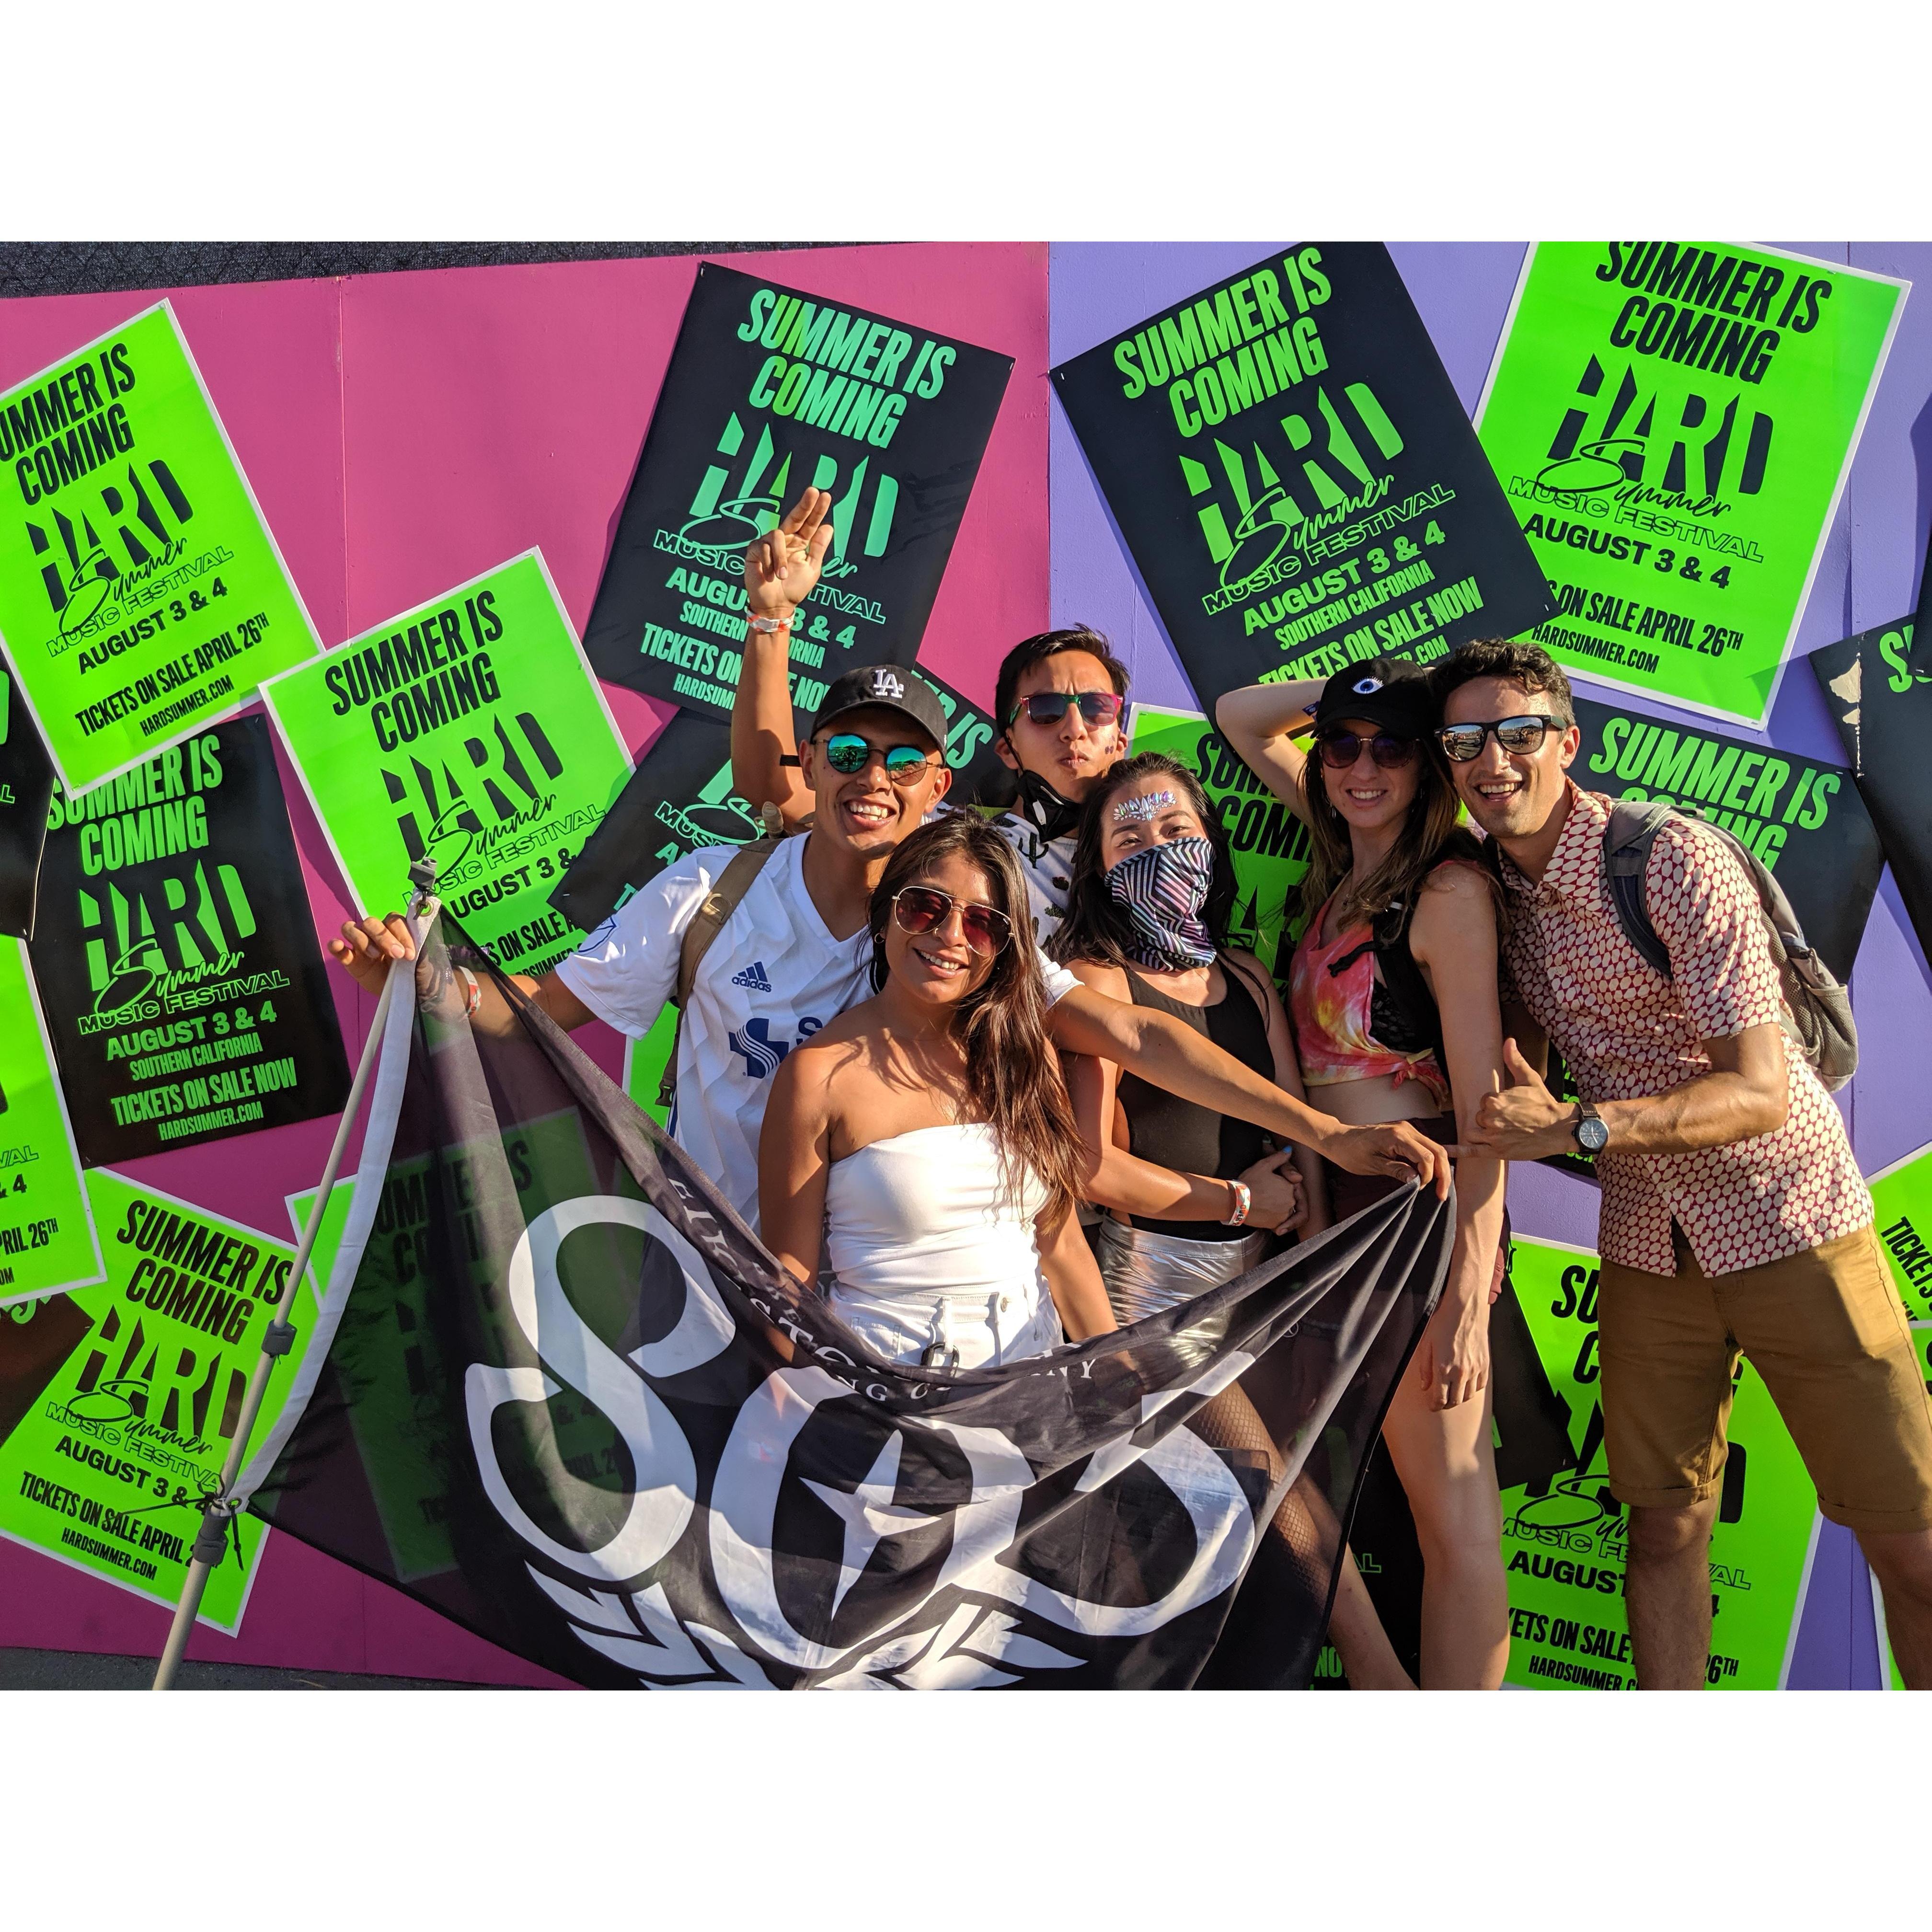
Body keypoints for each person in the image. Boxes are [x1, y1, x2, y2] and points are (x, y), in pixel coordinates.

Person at [329, 665, 1454, 1241]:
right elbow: (532, 1008)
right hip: (712, 1266)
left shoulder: (968, 913)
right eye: (851, 753)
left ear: (936, 783)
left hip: (888, 1294)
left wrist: (1325, 1133)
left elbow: (1128, 1032)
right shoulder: (708, 890)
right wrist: (416, 984)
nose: (874, 778)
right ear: (814, 764)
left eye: (903, 761)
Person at [1437, 637, 1932, 1690]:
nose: (1495, 761)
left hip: (1792, 1222)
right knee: (1663, 1530)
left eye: (1520, 733)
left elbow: (1758, 1088)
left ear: (1567, 742)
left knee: (1914, 1545)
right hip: (1649, 1250)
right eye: (1466, 739)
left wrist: (1579, 1129)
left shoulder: (1670, 858)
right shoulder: (1490, 890)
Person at [1049, 750, 1422, 1688]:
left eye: (1176, 831)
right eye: (1128, 839)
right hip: (1143, 1309)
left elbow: (1307, 1151)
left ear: (1212, 843)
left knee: (1229, 1544)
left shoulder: (1249, 981)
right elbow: (1091, 1171)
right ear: (1095, 867)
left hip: (1256, 1306)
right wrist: (1241, 1202)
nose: (1157, 853)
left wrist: (1313, 1283)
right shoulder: (1091, 979)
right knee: (1285, 1509)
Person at [1213, 657, 1511, 1690]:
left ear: (1428, 763)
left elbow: (1489, 1118)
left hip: (1412, 1216)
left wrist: (1471, 1286)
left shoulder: (1451, 890)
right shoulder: (1338, 850)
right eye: (1341, 745)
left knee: (1453, 1512)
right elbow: (1243, 714)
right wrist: (1367, 699)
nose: (1359, 767)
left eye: (1391, 748)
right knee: (1293, 1487)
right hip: (1327, 1213)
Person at [759, 813, 1114, 1366]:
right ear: (884, 918)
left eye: (982, 924)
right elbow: (790, 1280)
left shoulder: (1024, 1054)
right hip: (886, 1397)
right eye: (924, 907)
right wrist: (799, 1409)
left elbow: (1062, 1244)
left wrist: (1122, 1372)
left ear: (1003, 948)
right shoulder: (817, 1076)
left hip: (1029, 1385)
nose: (950, 936)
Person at [729, 487, 1130, 944]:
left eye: (1097, 708)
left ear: (1120, 739)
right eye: (1046, 711)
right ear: (1007, 747)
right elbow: (771, 788)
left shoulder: (1158, 845)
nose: (1074, 730)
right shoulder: (947, 842)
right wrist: (772, 618)